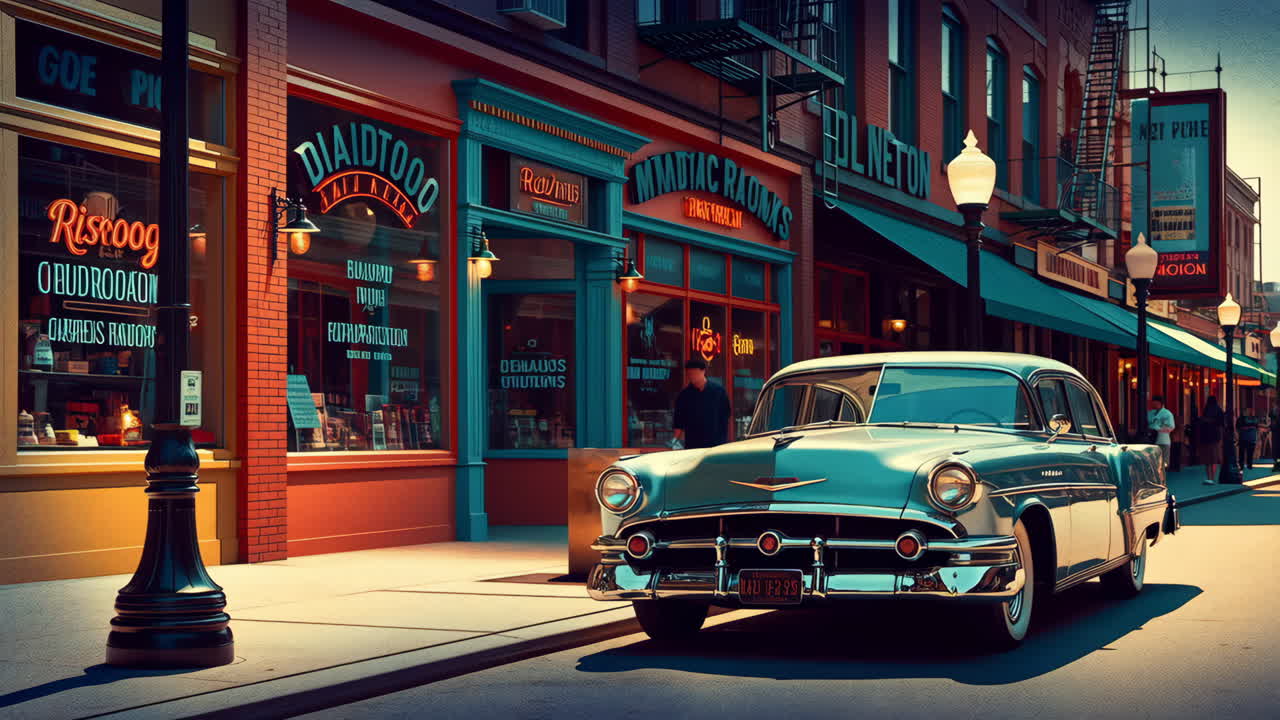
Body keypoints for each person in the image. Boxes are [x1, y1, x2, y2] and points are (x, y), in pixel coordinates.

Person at [672, 358, 730, 450]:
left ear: (703, 371)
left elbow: (725, 416)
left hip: (715, 444)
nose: (692, 376)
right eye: (689, 374)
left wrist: (722, 441)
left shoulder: (718, 392)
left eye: (695, 373)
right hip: (693, 445)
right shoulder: (684, 395)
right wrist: (674, 441)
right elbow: (678, 421)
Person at [1195, 396, 1225, 485]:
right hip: (1215, 437)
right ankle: (1213, 477)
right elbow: (1221, 424)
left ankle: (1209, 477)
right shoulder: (1219, 411)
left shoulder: (1206, 410)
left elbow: (1201, 423)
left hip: (1206, 437)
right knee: (1214, 458)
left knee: (1208, 460)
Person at [1146, 395, 1175, 468]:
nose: (1154, 405)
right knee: (1153, 461)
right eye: (1153, 404)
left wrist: (1158, 428)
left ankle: (1162, 478)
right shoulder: (1150, 413)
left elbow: (1171, 427)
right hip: (1151, 440)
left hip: (1163, 440)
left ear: (1161, 403)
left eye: (1156, 404)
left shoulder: (1167, 413)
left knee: (1164, 462)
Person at [1238, 406, 1260, 470]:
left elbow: (1257, 427)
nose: (1249, 412)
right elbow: (1238, 428)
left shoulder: (1254, 419)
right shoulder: (1241, 419)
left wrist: (1257, 437)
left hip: (1251, 439)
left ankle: (1249, 465)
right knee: (1242, 453)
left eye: (1250, 411)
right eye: (1247, 410)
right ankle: (1242, 465)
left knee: (1250, 453)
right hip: (1243, 438)